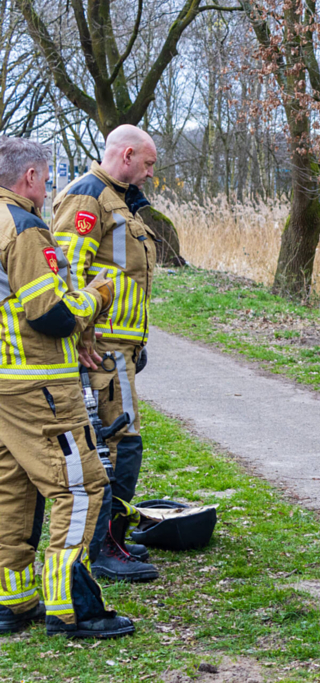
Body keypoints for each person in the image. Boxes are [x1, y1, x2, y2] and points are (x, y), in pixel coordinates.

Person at [0, 136, 133, 638]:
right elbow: (51, 315)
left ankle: (13, 600)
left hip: (5, 383)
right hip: (39, 385)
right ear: (30, 177)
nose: (49, 188)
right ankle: (73, 606)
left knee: (12, 489)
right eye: (46, 177)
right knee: (81, 487)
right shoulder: (23, 227)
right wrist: (96, 296)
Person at [52, 125, 159, 582]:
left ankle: (113, 535)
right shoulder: (89, 196)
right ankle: (103, 548)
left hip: (121, 343)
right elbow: (67, 273)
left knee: (122, 439)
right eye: (148, 164)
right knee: (119, 442)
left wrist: (138, 340)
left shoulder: (118, 198)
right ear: (127, 154)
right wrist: (82, 338)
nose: (150, 173)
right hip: (102, 347)